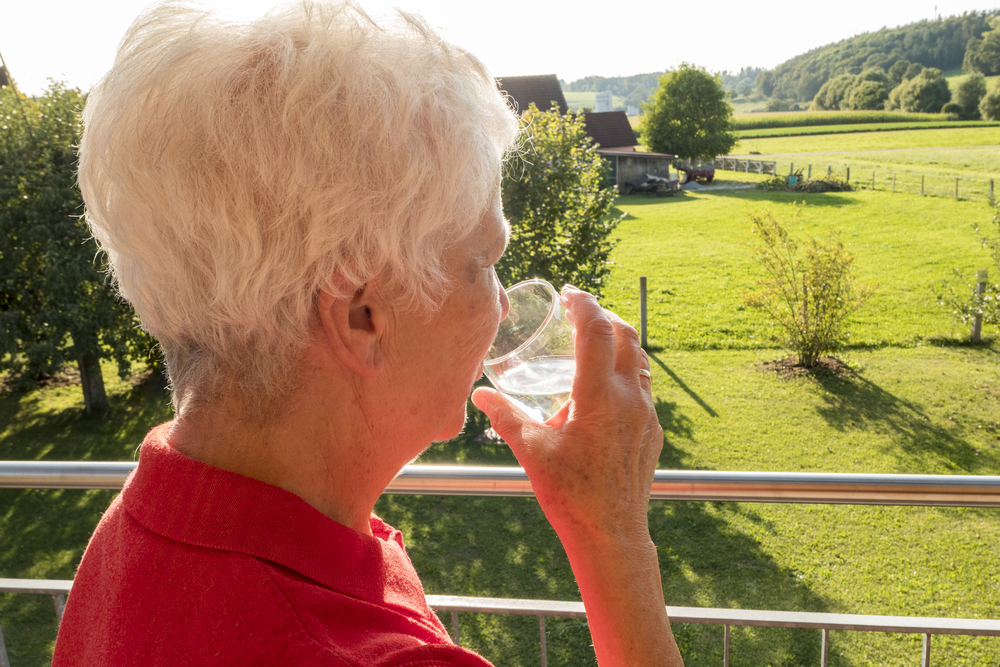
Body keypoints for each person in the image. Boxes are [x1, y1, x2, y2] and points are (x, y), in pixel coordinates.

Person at [52, 2, 684, 666]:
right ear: (363, 316)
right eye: (482, 263)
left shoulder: (137, 532)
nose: (502, 304)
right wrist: (612, 535)